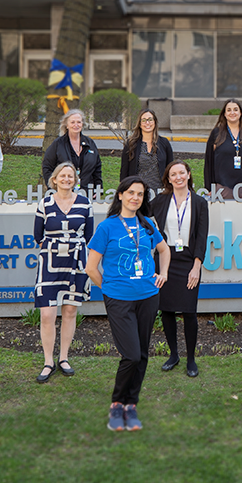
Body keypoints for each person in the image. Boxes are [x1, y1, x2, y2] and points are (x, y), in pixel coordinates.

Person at [87, 176, 171, 432]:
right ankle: (116, 403)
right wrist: (110, 289)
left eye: (140, 194)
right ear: (121, 195)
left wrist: (163, 273)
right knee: (131, 355)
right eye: (131, 193)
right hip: (119, 299)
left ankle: (130, 405)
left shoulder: (147, 224)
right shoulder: (107, 227)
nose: (136, 198)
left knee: (143, 354)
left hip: (147, 295)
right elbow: (91, 268)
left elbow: (164, 250)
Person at [32, 162, 93, 384]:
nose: (67, 179)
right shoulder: (45, 203)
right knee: (47, 314)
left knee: (69, 312)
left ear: (75, 180)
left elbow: (89, 235)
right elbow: (37, 234)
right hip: (49, 262)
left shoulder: (85, 203)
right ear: (55, 179)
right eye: (62, 175)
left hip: (76, 262)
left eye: (71, 176)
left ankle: (64, 358)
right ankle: (48, 361)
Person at [151, 161, 208, 377]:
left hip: (188, 262)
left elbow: (202, 237)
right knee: (166, 309)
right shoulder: (160, 201)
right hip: (166, 258)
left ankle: (191, 359)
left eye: (181, 173)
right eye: (173, 174)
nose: (178, 177)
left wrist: (196, 267)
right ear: (168, 178)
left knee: (189, 311)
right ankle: (173, 354)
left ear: (188, 174)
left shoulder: (200, 202)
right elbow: (144, 217)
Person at [203, 99, 242, 199]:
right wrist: (208, 187)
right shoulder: (216, 133)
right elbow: (209, 162)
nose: (232, 113)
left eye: (235, 109)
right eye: (229, 110)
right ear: (224, 114)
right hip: (222, 189)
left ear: (240, 113)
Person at [41, 108, 102, 194]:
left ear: (82, 124)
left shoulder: (90, 143)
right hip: (63, 193)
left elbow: (97, 167)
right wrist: (53, 188)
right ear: (67, 125)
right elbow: (47, 167)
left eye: (79, 122)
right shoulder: (58, 144)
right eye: (72, 122)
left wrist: (98, 188)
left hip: (87, 192)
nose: (76, 125)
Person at [120, 109, 174, 193]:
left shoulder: (164, 143)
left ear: (155, 122)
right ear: (140, 124)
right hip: (138, 192)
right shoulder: (131, 144)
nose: (147, 123)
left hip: (160, 192)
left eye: (150, 119)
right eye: (144, 120)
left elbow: (171, 168)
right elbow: (124, 171)